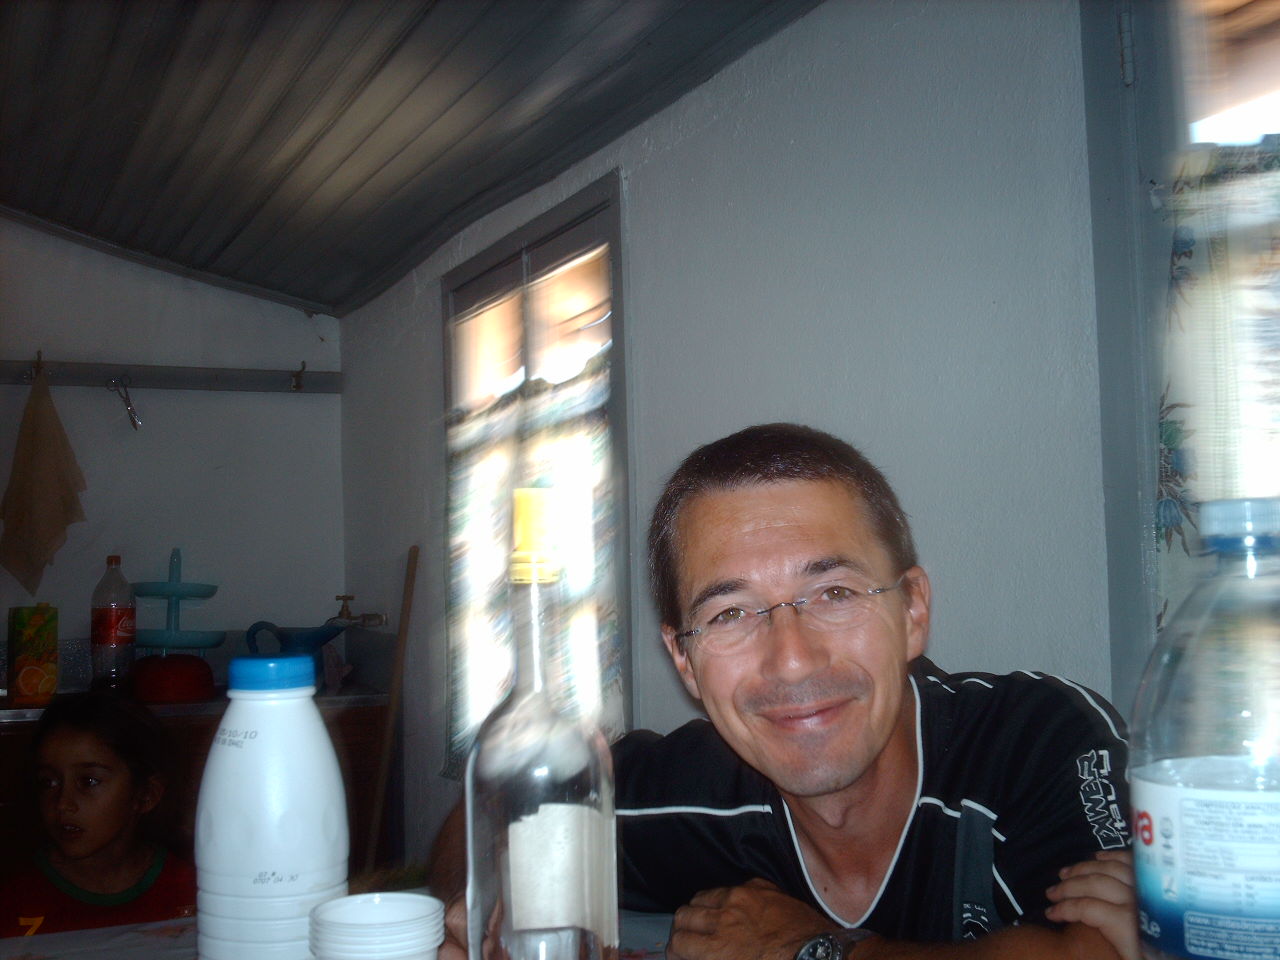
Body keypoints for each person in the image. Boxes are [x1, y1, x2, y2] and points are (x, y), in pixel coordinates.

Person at [429, 423, 1137, 960]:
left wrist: (807, 949)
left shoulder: (1038, 741)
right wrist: (487, 903)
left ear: (912, 610)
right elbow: (481, 822)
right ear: (684, 660)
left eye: (834, 593)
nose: (793, 662)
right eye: (730, 614)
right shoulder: (697, 787)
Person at [0, 691, 196, 937]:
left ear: (146, 794)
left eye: (88, 781)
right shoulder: (15, 897)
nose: (63, 804)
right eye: (48, 782)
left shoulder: (188, 889)